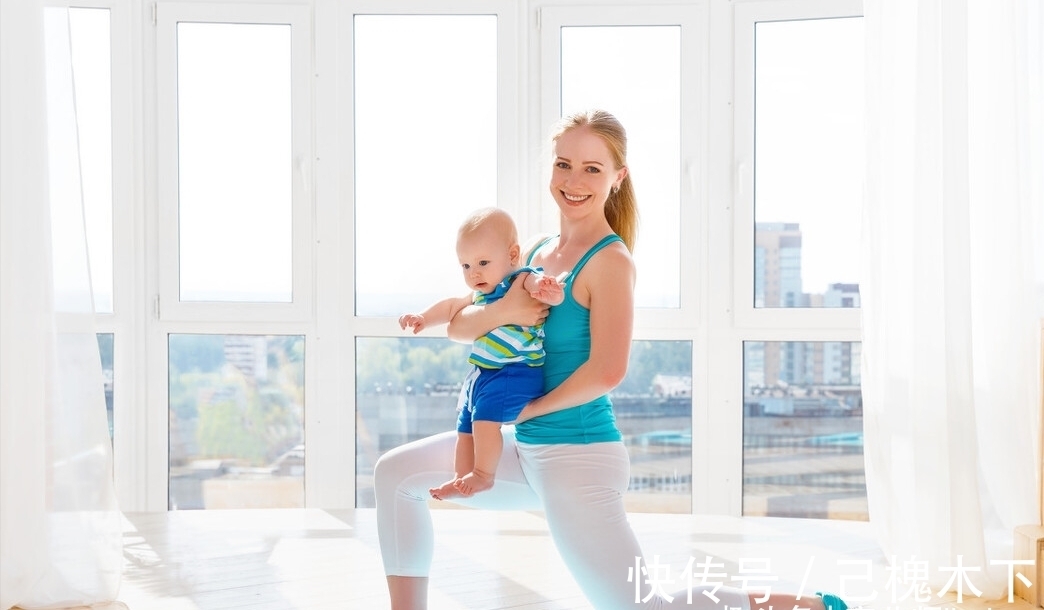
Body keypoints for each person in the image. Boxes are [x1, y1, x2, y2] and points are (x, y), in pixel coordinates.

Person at [374, 110, 849, 610]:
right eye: (564, 164)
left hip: (577, 457)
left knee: (644, 608)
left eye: (592, 169)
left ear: (617, 177)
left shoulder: (610, 262)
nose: (573, 181)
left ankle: (815, 607)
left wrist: (529, 410)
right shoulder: (531, 251)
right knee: (394, 475)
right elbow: (459, 325)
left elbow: (608, 370)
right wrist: (507, 311)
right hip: (527, 449)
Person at [398, 207, 566, 500]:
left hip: (516, 371)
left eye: (483, 263)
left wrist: (548, 290)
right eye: (465, 266)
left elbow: (541, 286)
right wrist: (423, 318)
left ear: (512, 255)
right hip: (483, 374)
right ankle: (460, 477)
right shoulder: (480, 294)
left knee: (484, 423)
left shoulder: (520, 279)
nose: (473, 273)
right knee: (465, 427)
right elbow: (451, 307)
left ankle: (484, 475)